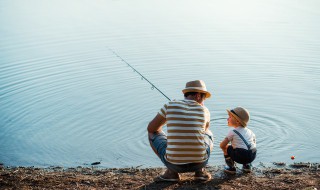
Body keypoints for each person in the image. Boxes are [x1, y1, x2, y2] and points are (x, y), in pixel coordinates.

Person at [147, 80, 214, 181]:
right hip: (199, 162)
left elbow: (151, 128)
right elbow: (203, 131)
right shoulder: (205, 111)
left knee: (152, 133)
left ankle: (171, 173)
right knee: (209, 134)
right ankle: (200, 172)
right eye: (204, 98)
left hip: (174, 165)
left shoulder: (170, 105)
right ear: (198, 96)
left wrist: (169, 123)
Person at [219, 107, 257, 174]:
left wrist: (226, 150)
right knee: (247, 147)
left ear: (237, 121)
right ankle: (247, 166)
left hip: (241, 156)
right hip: (253, 155)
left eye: (230, 117)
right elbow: (254, 142)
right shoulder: (250, 131)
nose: (227, 119)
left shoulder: (233, 132)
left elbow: (222, 145)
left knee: (227, 147)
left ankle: (231, 168)